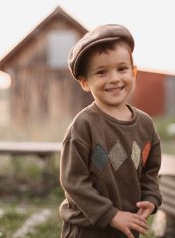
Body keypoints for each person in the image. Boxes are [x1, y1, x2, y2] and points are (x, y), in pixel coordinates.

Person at [59, 24, 162, 238]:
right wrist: (111, 214)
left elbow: (150, 171)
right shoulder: (84, 126)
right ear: (85, 82)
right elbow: (74, 182)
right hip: (88, 230)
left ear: (133, 73)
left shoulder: (145, 125)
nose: (114, 78)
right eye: (101, 72)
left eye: (121, 69)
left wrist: (151, 199)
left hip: (127, 229)